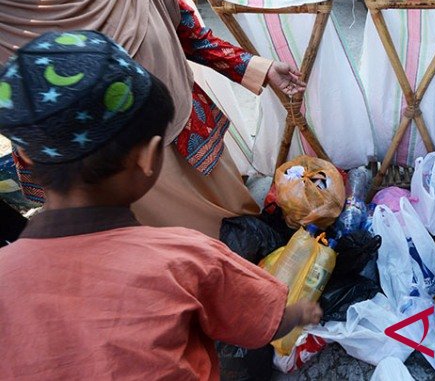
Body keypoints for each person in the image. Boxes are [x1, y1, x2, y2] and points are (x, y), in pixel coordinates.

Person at [0, 0, 305, 238]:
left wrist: (254, 67)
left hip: (184, 139)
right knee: (165, 267)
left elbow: (187, 31)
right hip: (99, 179)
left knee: (238, 234)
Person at [0, 31, 322, 378]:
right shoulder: (186, 257)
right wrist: (301, 313)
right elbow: (261, 322)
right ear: (149, 157)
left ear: (25, 161)